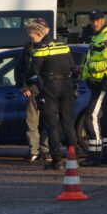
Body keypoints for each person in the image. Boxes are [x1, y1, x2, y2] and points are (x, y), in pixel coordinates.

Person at [28, 22, 78, 170]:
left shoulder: (40, 49)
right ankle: (73, 157)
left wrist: (24, 80)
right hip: (67, 86)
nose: (31, 41)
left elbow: (33, 70)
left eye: (32, 37)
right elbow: (72, 65)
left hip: (50, 88)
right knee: (68, 122)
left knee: (52, 125)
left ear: (39, 34)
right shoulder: (63, 46)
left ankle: (56, 160)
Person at [81, 9, 107, 166]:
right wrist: (82, 70)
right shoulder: (97, 37)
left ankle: (95, 155)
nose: (95, 23)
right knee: (105, 118)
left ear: (104, 20)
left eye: (98, 19)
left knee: (91, 117)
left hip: (105, 82)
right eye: (92, 20)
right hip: (98, 82)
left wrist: (90, 66)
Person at [14, 19, 49, 162]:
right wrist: (23, 86)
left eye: (32, 36)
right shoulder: (28, 48)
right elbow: (19, 68)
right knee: (32, 121)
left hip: (47, 88)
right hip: (34, 88)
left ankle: (45, 150)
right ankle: (34, 150)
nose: (31, 39)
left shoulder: (49, 47)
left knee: (47, 121)